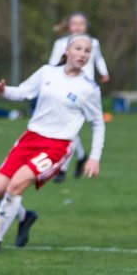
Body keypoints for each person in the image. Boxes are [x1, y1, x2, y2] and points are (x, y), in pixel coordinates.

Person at [0, 34, 106, 254]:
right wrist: (3, 91)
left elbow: (98, 123)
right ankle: (24, 217)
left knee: (15, 186)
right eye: (78, 48)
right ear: (67, 51)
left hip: (57, 146)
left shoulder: (89, 88)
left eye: (87, 51)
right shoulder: (47, 72)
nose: (82, 54)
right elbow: (23, 92)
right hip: (30, 138)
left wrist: (94, 156)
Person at [48, 12, 108, 180]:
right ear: (69, 26)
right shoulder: (60, 43)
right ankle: (76, 159)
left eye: (81, 23)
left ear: (85, 26)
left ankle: (65, 166)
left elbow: (98, 59)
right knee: (69, 127)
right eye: (74, 23)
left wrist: (104, 72)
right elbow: (53, 64)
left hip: (85, 92)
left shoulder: (93, 42)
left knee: (70, 127)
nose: (78, 26)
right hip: (64, 90)